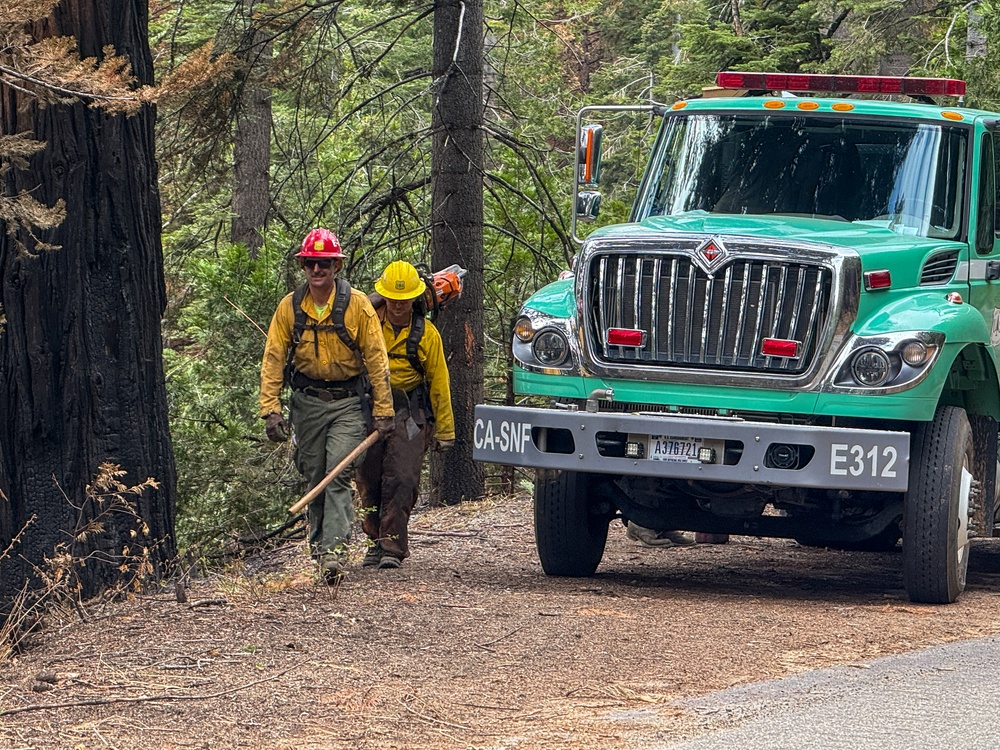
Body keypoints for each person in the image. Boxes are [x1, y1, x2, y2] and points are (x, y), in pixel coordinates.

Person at [259, 228, 395, 584]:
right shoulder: (290, 307)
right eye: (311, 264)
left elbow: (377, 360)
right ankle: (319, 552)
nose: (317, 270)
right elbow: (274, 357)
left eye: (324, 264)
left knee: (336, 474)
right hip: (307, 405)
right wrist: (270, 408)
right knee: (314, 474)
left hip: (349, 404)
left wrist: (384, 411)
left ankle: (333, 555)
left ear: (336, 266)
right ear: (303, 266)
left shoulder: (358, 306)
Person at [356, 260, 455, 570]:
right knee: (369, 478)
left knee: (402, 478)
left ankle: (392, 547)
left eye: (405, 300)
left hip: (409, 415)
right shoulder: (367, 324)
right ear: (384, 297)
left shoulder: (427, 334)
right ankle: (373, 542)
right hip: (371, 411)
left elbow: (439, 382)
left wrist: (445, 431)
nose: (398, 306)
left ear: (415, 299)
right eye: (393, 300)